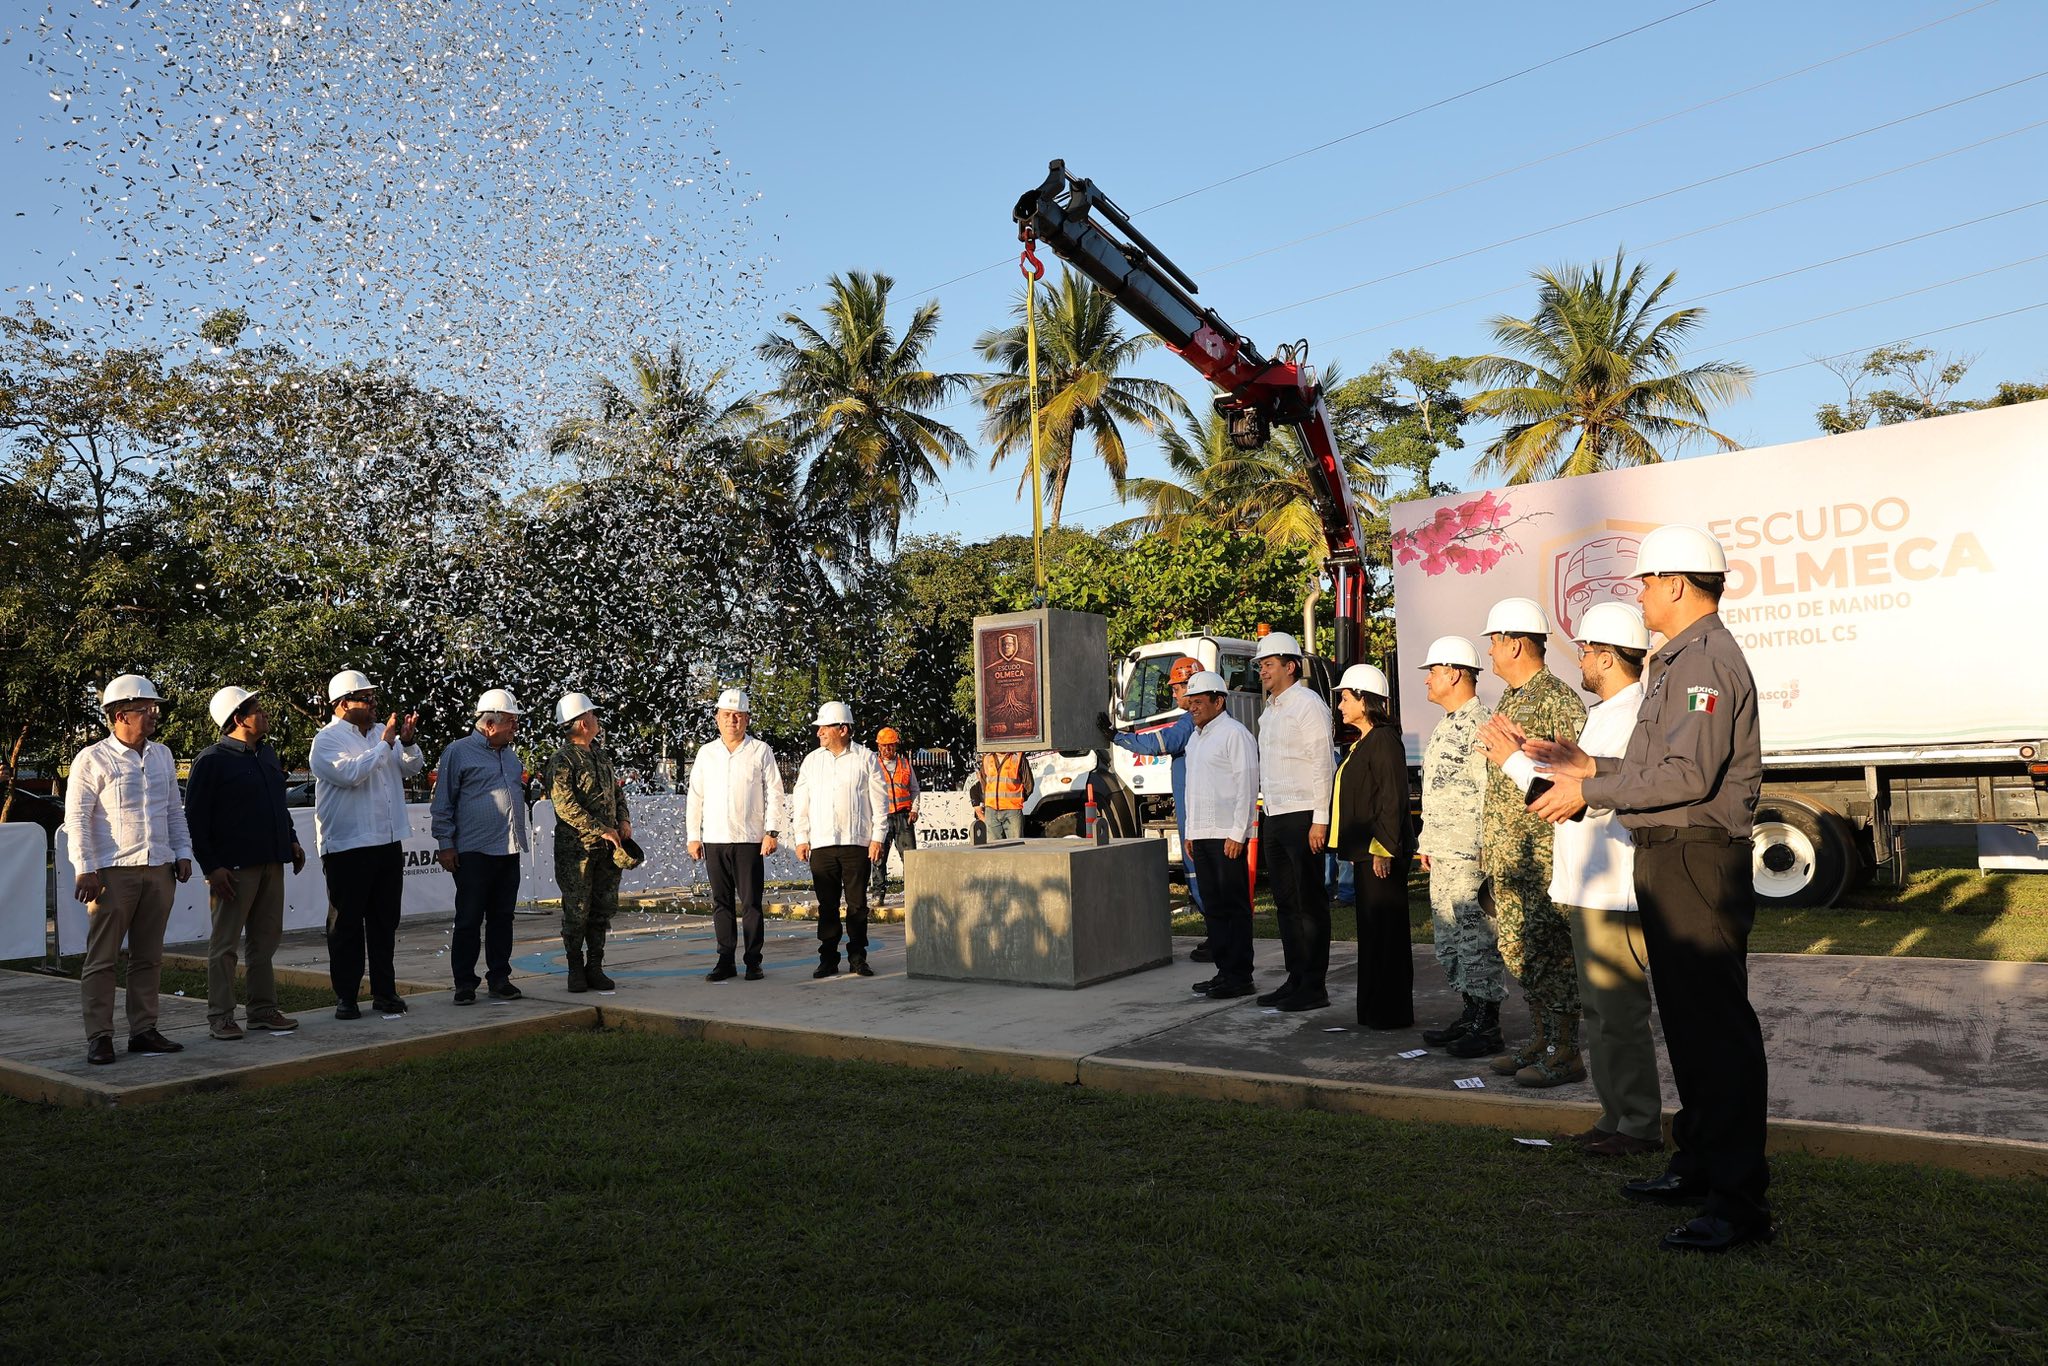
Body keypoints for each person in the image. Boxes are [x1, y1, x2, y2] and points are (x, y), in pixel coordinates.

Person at [1525, 525, 1773, 1253]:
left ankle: (1738, 1203)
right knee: (1690, 1028)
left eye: (1644, 581)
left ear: (1675, 583)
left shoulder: (1705, 663)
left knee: (1716, 1033)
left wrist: (1590, 789)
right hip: (1669, 856)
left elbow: (1689, 776)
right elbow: (1656, 766)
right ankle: (1698, 1165)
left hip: (1696, 858)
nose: (1638, 595)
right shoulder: (1680, 660)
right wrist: (1586, 764)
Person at [1490, 603, 1659, 1142]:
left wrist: (1511, 761)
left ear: (1607, 657)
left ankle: (1636, 1124)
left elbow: (1586, 801)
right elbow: (1575, 785)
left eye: (1586, 650)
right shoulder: (1607, 712)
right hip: (1589, 885)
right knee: (1601, 1013)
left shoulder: (1631, 716)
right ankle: (1615, 1118)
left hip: (1612, 887)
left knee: (1618, 1014)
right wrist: (1528, 753)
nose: (1580, 659)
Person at [1477, 597, 1587, 1087]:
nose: (1490, 651)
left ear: (1515, 643)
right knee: (1521, 950)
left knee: (1551, 952)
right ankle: (1541, 1040)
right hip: (1511, 852)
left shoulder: (1557, 700)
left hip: (1543, 853)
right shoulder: (1510, 699)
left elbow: (1574, 778)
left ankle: (1564, 1051)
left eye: (1494, 641)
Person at [63, 674, 192, 1065]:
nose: (154, 715)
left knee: (148, 956)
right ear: (121, 715)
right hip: (112, 871)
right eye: (146, 709)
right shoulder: (92, 758)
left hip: (158, 867)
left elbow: (173, 810)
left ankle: (144, 1030)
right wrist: (85, 867)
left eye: (154, 708)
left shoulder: (162, 755)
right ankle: (100, 1036)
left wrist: (182, 852)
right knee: (103, 958)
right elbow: (77, 818)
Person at [185, 686, 305, 1041]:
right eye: (257, 710)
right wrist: (212, 867)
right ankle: (221, 1016)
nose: (264, 714)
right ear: (238, 719)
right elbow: (196, 819)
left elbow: (278, 804)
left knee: (264, 941)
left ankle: (262, 1010)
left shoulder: (266, 753)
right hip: (233, 869)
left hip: (272, 860)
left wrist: (291, 839)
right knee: (225, 945)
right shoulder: (211, 760)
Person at [309, 668, 423, 1019]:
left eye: (374, 697)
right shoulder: (326, 740)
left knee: (384, 922)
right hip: (348, 845)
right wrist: (385, 744)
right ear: (344, 704)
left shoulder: (379, 733)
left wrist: (406, 742)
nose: (374, 704)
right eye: (366, 698)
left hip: (386, 840)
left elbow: (412, 768)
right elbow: (350, 774)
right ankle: (346, 996)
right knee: (346, 924)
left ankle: (385, 992)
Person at [1413, 637, 1507, 1056]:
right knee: (1450, 941)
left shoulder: (1481, 725)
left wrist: (1487, 851)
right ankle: (1470, 1014)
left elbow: (1491, 794)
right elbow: (1438, 791)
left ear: (1453, 673)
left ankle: (1487, 1026)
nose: (1427, 680)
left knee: (1476, 941)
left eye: (1433, 671)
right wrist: (1429, 842)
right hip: (1446, 852)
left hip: (1471, 854)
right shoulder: (1446, 725)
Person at [1249, 631, 1335, 1012]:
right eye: (1261, 666)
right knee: (1286, 902)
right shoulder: (1270, 710)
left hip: (1303, 815)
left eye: (1269, 664)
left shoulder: (1307, 704)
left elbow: (1322, 762)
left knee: (1308, 902)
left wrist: (1320, 819)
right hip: (1275, 814)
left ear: (1291, 666)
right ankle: (1295, 977)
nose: (1263, 672)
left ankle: (1314, 985)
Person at [431, 689, 532, 1005]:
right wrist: (445, 844)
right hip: (473, 851)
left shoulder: (510, 756)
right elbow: (443, 802)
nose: (516, 727)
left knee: (503, 918)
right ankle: (464, 983)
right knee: (469, 919)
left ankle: (499, 978)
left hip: (508, 849)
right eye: (511, 721)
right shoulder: (458, 752)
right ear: (490, 724)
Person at [1107, 655, 1209, 960]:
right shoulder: (1201, 721)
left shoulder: (1189, 722)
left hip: (1196, 811)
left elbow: (1158, 744)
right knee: (1199, 875)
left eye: (1176, 688)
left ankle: (1220, 938)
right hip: (1195, 807)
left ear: (1190, 687)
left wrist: (1117, 737)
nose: (1174, 695)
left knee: (1201, 874)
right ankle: (1216, 935)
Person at [1329, 665, 1412, 1028]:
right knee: (1372, 932)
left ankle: (1390, 1012)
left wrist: (1383, 847)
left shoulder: (1384, 739)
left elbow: (1392, 797)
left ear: (1365, 700)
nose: (1341, 706)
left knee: (1386, 933)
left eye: (1346, 698)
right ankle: (1374, 1009)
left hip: (1380, 854)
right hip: (1365, 853)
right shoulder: (1363, 741)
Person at [686, 688, 783, 983]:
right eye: (727, 715)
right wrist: (693, 836)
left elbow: (775, 792)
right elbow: (695, 797)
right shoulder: (706, 753)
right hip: (715, 839)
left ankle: (753, 961)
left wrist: (771, 831)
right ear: (717, 718)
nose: (732, 720)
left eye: (738, 716)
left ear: (747, 719)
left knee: (751, 903)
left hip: (749, 840)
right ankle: (725, 959)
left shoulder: (760, 751)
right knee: (721, 902)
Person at [791, 701, 886, 979]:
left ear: (843, 729)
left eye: (824, 727)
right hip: (822, 845)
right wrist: (801, 837)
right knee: (827, 906)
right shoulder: (812, 761)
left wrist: (878, 837)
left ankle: (858, 957)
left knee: (857, 905)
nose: (819, 732)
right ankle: (828, 959)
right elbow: (801, 802)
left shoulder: (866, 758)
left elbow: (880, 802)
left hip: (857, 844)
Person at [1180, 670, 1259, 1000]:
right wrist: (1190, 832)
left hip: (1227, 836)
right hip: (1202, 835)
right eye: (1191, 702)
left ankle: (1240, 975)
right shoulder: (1195, 739)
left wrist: (1239, 832)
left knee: (1233, 906)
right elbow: (1192, 789)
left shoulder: (1234, 734)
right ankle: (1224, 971)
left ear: (1219, 701)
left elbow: (1247, 785)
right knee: (1213, 907)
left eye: (1199, 701)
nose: (1193, 708)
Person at [549, 692, 633, 993]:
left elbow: (617, 793)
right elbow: (565, 806)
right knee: (577, 910)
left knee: (602, 909)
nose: (597, 719)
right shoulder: (562, 760)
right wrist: (601, 829)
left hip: (607, 849)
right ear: (583, 722)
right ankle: (575, 968)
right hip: (578, 851)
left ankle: (595, 966)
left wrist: (623, 820)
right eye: (593, 715)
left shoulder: (600, 755)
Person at [871, 727, 919, 907]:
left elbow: (914, 789)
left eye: (890, 745)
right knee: (878, 858)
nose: (887, 749)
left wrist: (915, 809)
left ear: (895, 745)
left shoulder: (905, 764)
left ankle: (913, 894)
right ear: (879, 746)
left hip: (903, 817)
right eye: (884, 745)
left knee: (910, 858)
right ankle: (878, 894)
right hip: (882, 818)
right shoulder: (873, 766)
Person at [970, 749, 1033, 842]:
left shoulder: (1018, 757)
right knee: (993, 846)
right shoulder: (987, 758)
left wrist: (1017, 800)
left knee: (1015, 845)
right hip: (991, 811)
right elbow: (983, 782)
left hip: (1012, 811)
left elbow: (1029, 785)